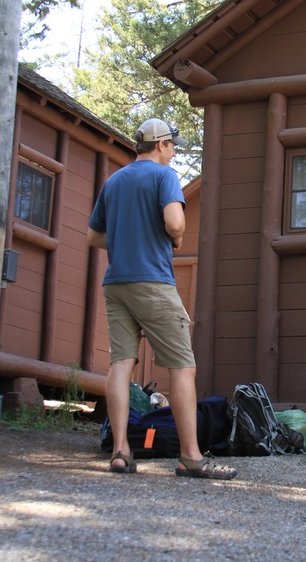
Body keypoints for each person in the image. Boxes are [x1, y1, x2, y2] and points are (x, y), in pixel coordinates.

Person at [87, 117, 237, 480]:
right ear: (160, 145)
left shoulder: (114, 180)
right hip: (152, 283)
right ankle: (191, 457)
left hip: (116, 283)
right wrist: (176, 237)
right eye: (172, 145)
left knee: (122, 364)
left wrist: (129, 240)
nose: (173, 152)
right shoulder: (163, 175)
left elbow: (94, 237)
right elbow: (175, 223)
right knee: (182, 366)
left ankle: (121, 451)